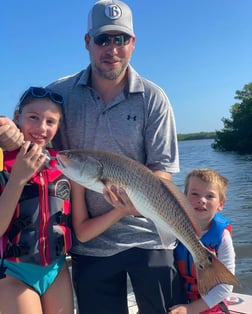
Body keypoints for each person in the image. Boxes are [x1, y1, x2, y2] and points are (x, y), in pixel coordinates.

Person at [0, 0, 185, 313]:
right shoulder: (60, 92)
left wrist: (131, 204)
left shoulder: (154, 98)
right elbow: (31, 130)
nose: (111, 48)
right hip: (89, 244)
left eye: (120, 39)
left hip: (149, 236)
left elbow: (162, 173)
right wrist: (7, 132)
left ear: (133, 44)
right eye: (102, 39)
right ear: (88, 42)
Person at [0, 87, 74, 314]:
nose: (42, 127)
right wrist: (18, 179)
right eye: (33, 117)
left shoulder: (63, 163)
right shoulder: (2, 160)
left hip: (57, 269)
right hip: (13, 272)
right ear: (16, 117)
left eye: (50, 121)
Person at [169, 168, 235, 314]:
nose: (201, 200)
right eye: (195, 194)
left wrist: (192, 309)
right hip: (178, 298)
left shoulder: (222, 237)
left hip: (211, 303)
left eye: (210, 196)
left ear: (221, 204)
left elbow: (226, 286)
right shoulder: (173, 227)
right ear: (184, 197)